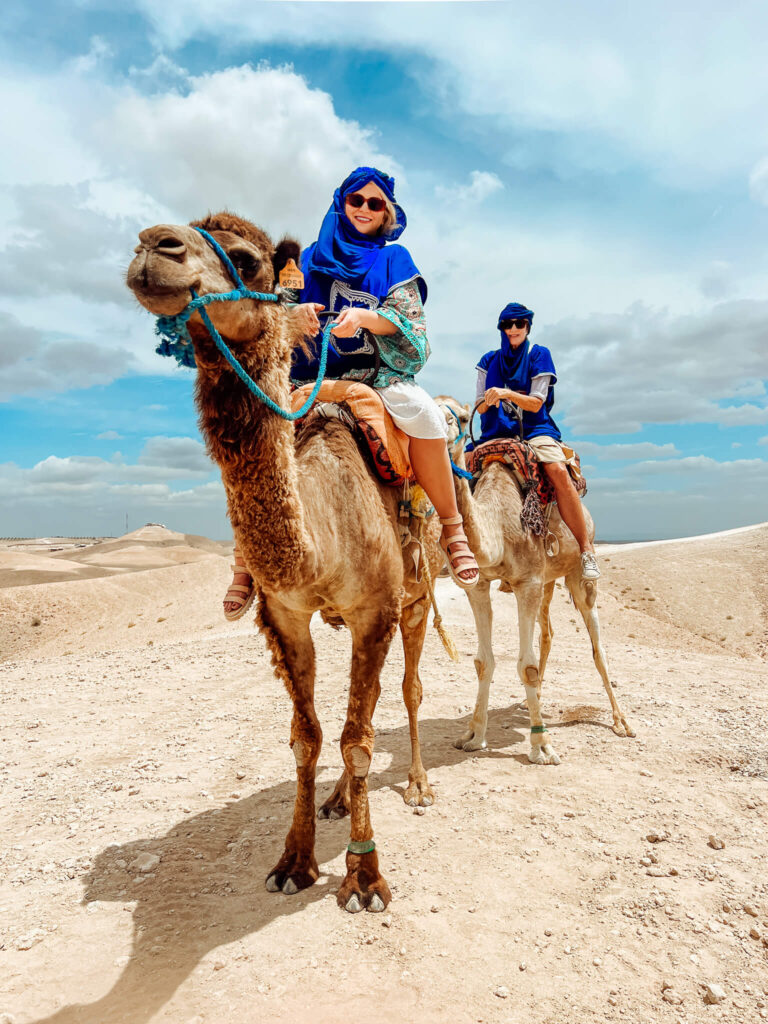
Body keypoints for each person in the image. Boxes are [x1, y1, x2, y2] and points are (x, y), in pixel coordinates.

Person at [223, 166, 479, 618]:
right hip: (310, 380)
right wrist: (292, 317)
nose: (364, 209)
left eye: (374, 203)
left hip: (376, 377)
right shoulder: (299, 264)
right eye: (356, 200)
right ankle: (246, 557)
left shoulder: (393, 259)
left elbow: (410, 323)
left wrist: (364, 319)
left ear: (386, 214)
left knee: (425, 416)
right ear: (341, 202)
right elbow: (270, 319)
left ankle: (452, 528)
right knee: (247, 427)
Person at [475, 301, 600, 581]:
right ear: (502, 329)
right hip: (495, 432)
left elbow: (535, 403)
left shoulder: (539, 355)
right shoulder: (487, 361)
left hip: (535, 429)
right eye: (508, 324)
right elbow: (479, 407)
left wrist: (505, 393)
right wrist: (487, 400)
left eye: (519, 324)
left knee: (556, 470)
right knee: (458, 469)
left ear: (527, 327)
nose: (514, 329)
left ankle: (586, 549)